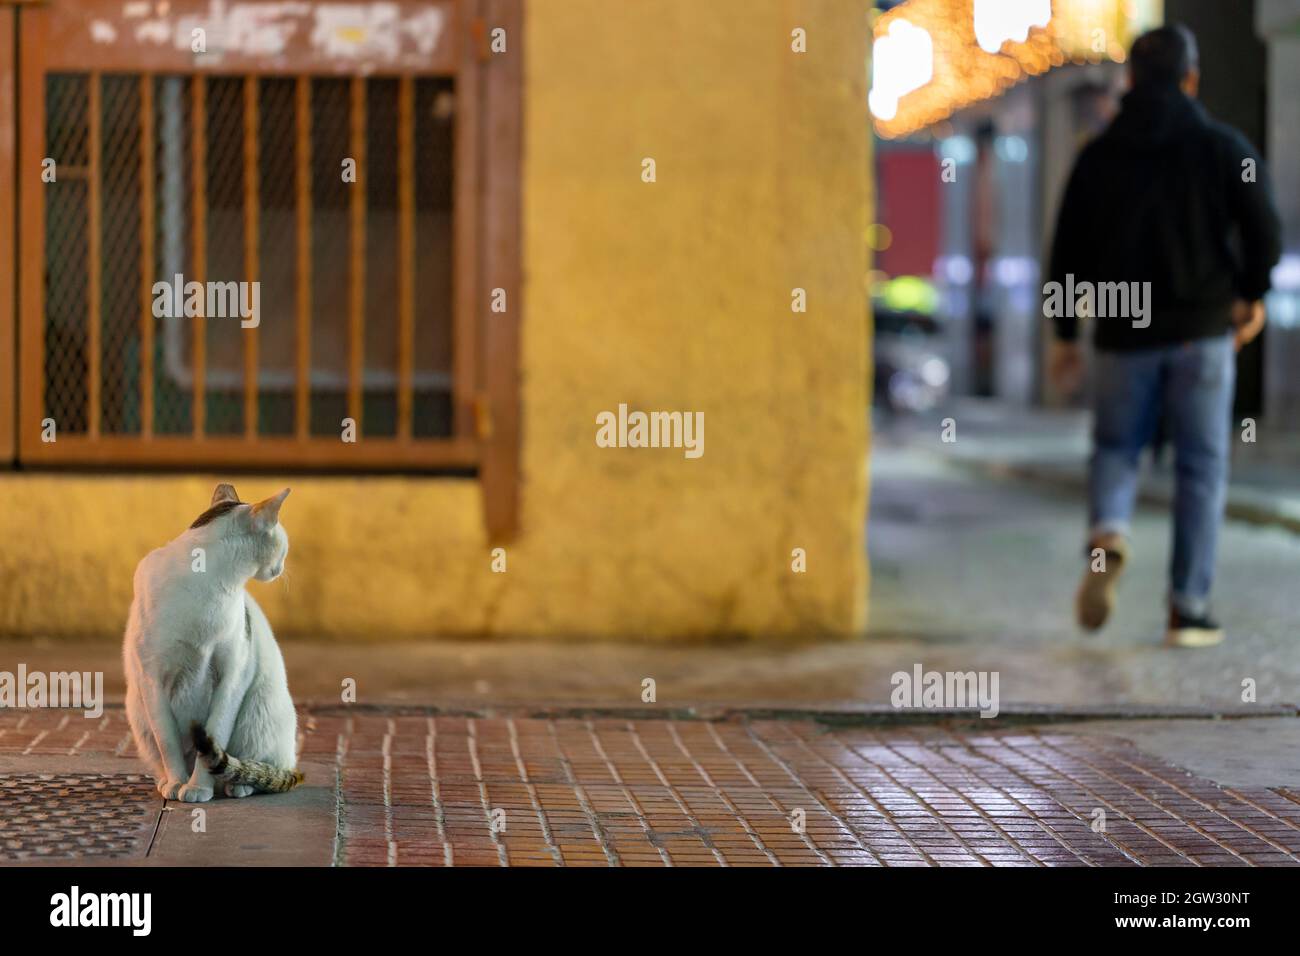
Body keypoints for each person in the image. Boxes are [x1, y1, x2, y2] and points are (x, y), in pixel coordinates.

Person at [1046, 24, 1282, 648]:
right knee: (1200, 467)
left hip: (1123, 334)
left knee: (1116, 450)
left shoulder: (1097, 155)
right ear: (1191, 78)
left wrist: (1066, 333)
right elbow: (1265, 226)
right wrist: (1250, 296)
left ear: (1129, 82)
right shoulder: (1224, 148)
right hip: (1201, 330)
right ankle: (1188, 607)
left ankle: (1107, 535)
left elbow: (1067, 249)